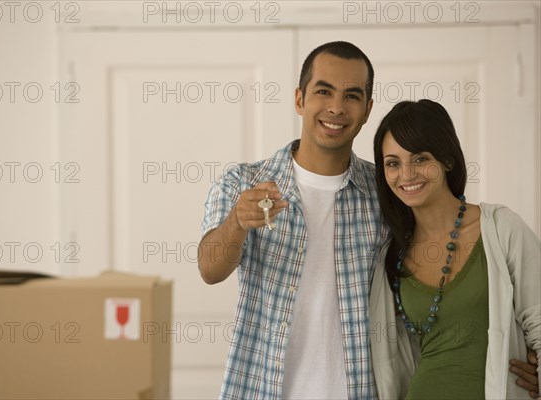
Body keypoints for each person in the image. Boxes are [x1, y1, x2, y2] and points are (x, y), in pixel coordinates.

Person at [199, 41, 539, 399]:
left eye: (352, 95)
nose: (336, 107)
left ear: (367, 109)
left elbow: (434, 291)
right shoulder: (243, 184)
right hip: (261, 389)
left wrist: (517, 358)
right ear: (300, 99)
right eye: (324, 91)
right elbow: (210, 269)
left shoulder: (388, 195)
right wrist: (236, 222)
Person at [369, 99, 541, 399]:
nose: (406, 175)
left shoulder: (500, 229)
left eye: (420, 159)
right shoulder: (393, 254)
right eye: (393, 163)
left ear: (447, 159)